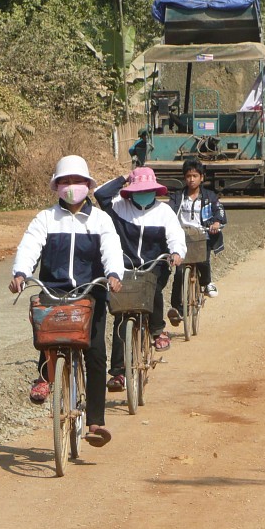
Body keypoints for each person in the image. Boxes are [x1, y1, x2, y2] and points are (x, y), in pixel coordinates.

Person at [9, 155, 124, 446]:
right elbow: (29, 245)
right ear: (57, 186)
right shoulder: (46, 218)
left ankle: (96, 422)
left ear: (88, 185)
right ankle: (44, 377)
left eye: (77, 181)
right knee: (47, 335)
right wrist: (20, 273)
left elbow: (111, 248)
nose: (72, 186)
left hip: (91, 293)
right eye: (65, 181)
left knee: (96, 353)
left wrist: (113, 274)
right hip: (54, 291)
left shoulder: (100, 220)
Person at [94, 167, 185, 391]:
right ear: (131, 191)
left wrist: (176, 253)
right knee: (121, 318)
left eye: (148, 189)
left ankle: (157, 329)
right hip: (124, 269)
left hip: (155, 266)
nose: (144, 193)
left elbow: (176, 236)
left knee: (152, 288)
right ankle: (118, 373)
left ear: (155, 190)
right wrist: (125, 178)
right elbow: (100, 194)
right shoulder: (118, 208)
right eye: (139, 189)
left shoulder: (164, 212)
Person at [166, 158, 225, 327]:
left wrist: (216, 223)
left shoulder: (209, 197)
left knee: (203, 262)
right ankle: (176, 308)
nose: (191, 179)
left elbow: (219, 212)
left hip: (202, 237)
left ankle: (206, 283)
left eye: (195, 175)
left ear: (202, 177)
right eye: (188, 176)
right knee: (178, 273)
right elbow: (168, 214)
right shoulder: (177, 197)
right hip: (182, 239)